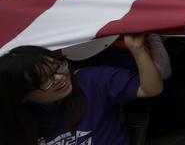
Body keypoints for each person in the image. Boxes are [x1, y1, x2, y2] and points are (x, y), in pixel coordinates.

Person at [0, 34, 163, 145]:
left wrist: (137, 49)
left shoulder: (91, 81)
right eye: (45, 80)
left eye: (58, 66)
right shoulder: (13, 122)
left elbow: (150, 89)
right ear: (20, 95)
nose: (59, 78)